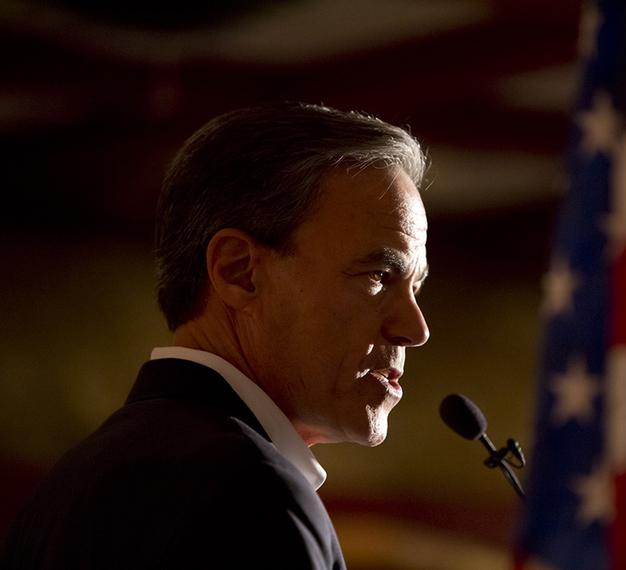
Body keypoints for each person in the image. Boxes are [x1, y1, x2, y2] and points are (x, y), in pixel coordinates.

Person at [1, 103, 430, 569]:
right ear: (239, 272)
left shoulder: (68, 487)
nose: (415, 330)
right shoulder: (252, 496)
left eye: (417, 285)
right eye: (380, 275)